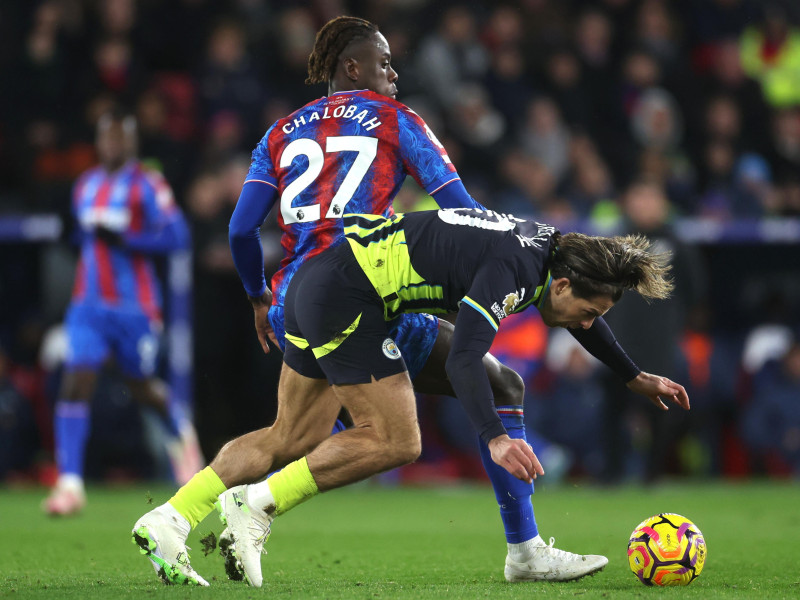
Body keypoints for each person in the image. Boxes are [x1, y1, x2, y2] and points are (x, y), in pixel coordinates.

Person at [132, 208, 690, 587]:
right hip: (351, 302)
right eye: (588, 313)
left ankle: (172, 518)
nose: (586, 324)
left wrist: (632, 375)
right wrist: (494, 438)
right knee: (398, 441)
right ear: (564, 287)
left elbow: (562, 324)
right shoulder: (515, 272)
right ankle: (256, 504)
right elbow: (467, 357)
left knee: (291, 437)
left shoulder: (549, 250)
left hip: (319, 287)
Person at [222, 15, 589, 583]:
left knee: (289, 435)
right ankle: (525, 549)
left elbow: (242, 231)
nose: (393, 72)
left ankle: (176, 515)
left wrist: (254, 298)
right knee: (413, 429)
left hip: (294, 294)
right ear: (352, 68)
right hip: (369, 289)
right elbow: (459, 209)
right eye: (384, 62)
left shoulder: (281, 131)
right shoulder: (395, 120)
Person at [43, 110, 203, 516]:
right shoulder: (86, 184)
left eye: (121, 138)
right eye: (107, 138)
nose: (113, 145)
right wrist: (72, 236)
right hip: (88, 304)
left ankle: (183, 440)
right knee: (77, 377)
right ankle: (70, 485)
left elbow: (178, 235)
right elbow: (84, 238)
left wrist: (128, 238)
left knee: (142, 386)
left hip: (135, 309)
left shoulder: (147, 184)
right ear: (99, 142)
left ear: (132, 143)